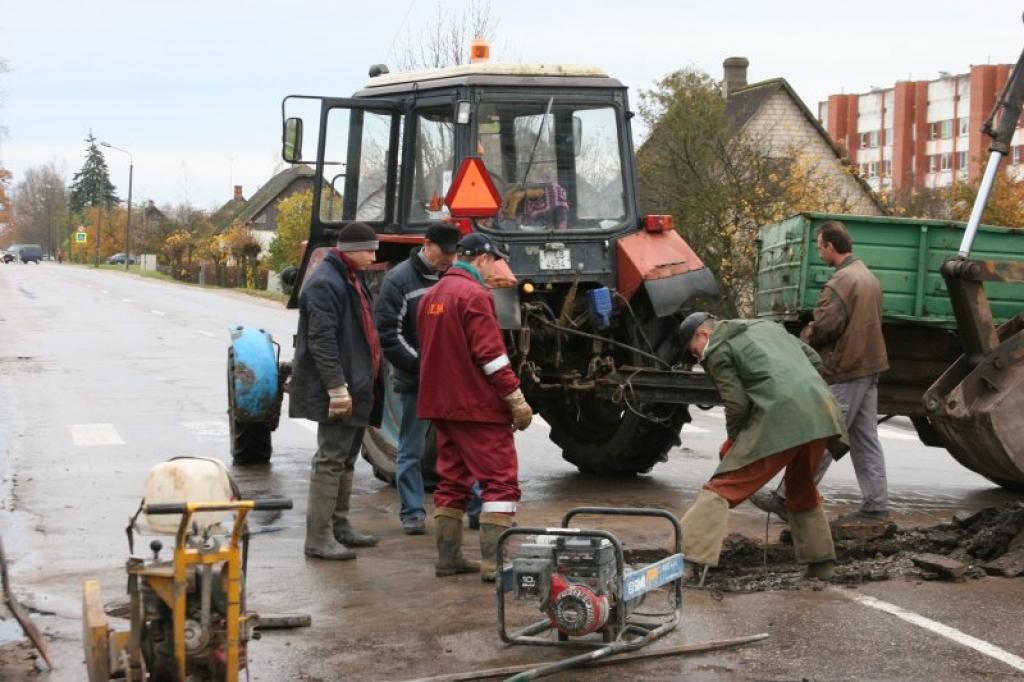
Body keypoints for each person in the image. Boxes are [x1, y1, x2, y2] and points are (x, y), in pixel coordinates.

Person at [677, 313, 848, 579]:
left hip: (782, 415)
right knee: (801, 487)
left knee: (724, 486)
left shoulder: (718, 350)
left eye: (695, 352)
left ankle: (684, 559)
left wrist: (735, 444)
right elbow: (813, 359)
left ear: (703, 335)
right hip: (821, 410)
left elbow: (737, 404)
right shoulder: (767, 327)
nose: (699, 358)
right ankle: (821, 565)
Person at [751, 220, 890, 523]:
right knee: (865, 439)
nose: (819, 253)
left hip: (847, 369)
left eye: (819, 247)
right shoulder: (868, 277)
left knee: (823, 435)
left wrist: (802, 337)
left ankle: (789, 497)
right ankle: (876, 505)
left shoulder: (841, 282)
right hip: (869, 367)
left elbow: (826, 327)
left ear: (830, 246)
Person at [417, 232, 533, 580]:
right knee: (500, 481)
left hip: (441, 406)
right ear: (481, 259)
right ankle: (493, 563)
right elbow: (492, 355)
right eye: (494, 261)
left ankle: (448, 558)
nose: (495, 268)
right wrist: (515, 396)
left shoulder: (432, 295)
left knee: (452, 482)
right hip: (477, 407)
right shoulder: (475, 295)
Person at [288, 222, 384, 560]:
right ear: (348, 249)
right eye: (368, 249)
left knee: (345, 460)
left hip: (358, 385)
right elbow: (321, 340)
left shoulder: (350, 278)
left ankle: (340, 527)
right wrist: (336, 388)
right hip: (340, 388)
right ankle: (318, 537)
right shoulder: (325, 283)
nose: (374, 255)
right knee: (330, 460)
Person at [374, 223, 474, 536]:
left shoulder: (455, 277)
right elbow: (389, 335)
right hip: (417, 379)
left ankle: (476, 509)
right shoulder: (398, 280)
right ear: (427, 245)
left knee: (464, 446)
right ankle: (413, 513)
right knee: (411, 449)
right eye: (444, 254)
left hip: (452, 381)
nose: (449, 260)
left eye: (453, 254)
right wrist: (425, 366)